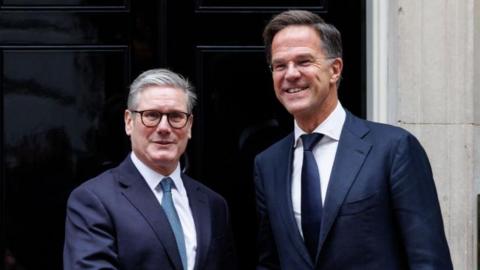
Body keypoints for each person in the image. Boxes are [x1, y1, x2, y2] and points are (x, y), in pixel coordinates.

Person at [254, 10, 453, 270]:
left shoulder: (394, 149)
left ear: (335, 69)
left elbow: (429, 261)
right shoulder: (268, 164)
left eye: (304, 61)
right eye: (280, 65)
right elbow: (270, 263)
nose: (290, 74)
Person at [64, 68, 236, 270]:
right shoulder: (94, 200)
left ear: (189, 126)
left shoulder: (213, 205)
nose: (164, 127)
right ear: (129, 122)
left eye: (176, 116)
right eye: (152, 115)